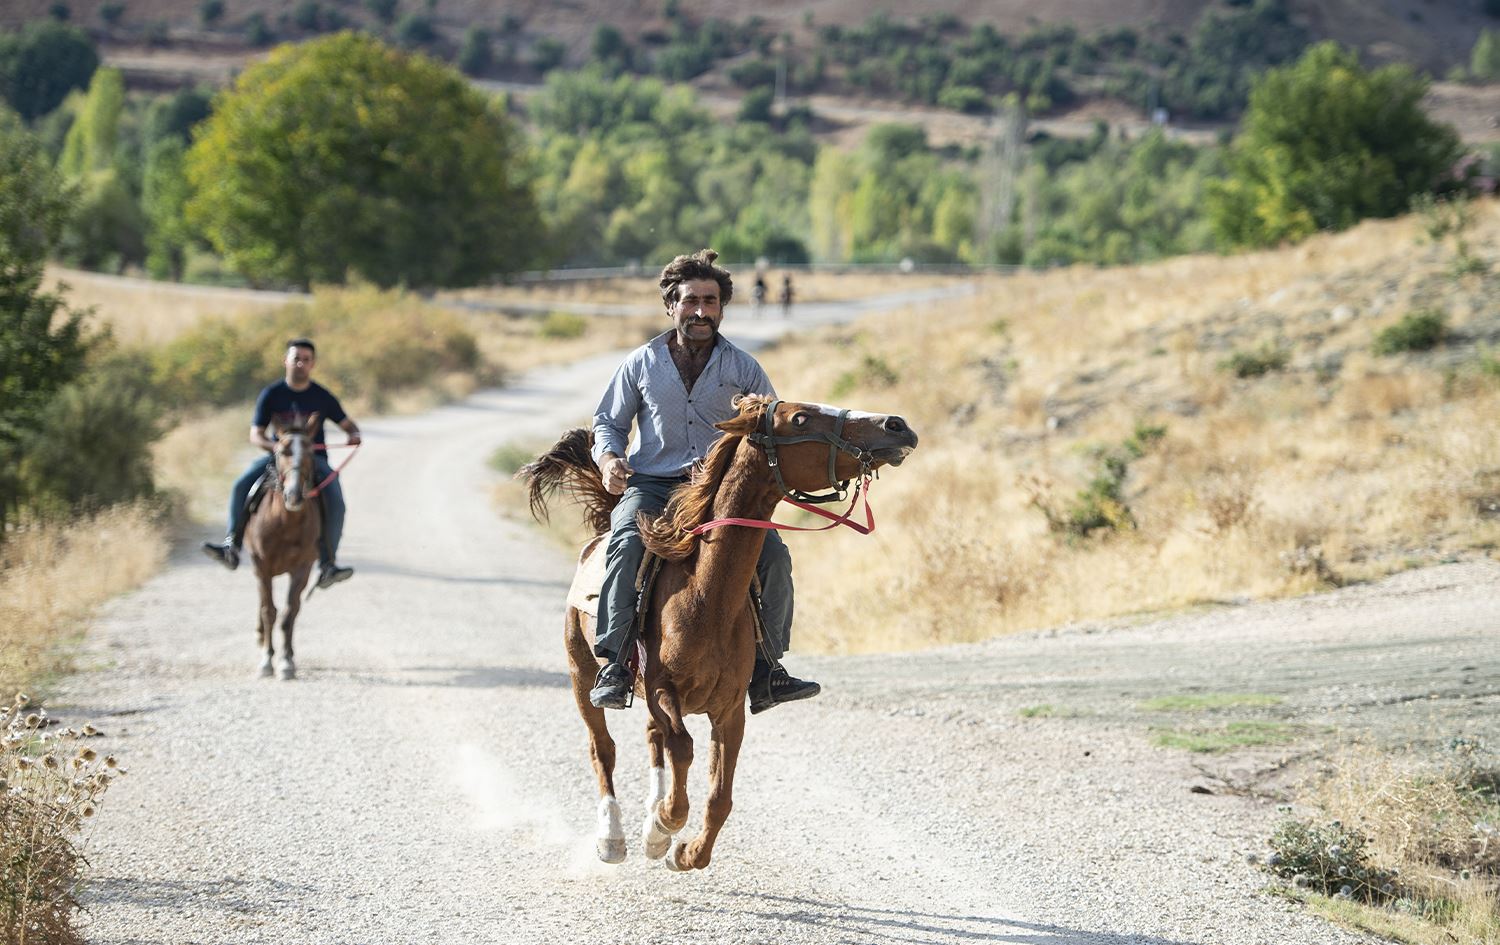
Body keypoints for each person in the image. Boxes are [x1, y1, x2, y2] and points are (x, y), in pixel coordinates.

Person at [588, 249, 819, 714]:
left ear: (721, 307)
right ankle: (614, 664)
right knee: (627, 542)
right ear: (671, 305)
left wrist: (758, 416)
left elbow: (771, 435)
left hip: (720, 494)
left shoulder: (744, 368)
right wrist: (610, 458)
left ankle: (768, 669)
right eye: (691, 300)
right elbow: (608, 423)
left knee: (774, 557)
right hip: (654, 485)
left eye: (710, 302)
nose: (700, 311)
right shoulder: (641, 362)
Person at [201, 338, 361, 590]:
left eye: (306, 360)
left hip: (312, 460)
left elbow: (348, 425)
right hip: (279, 458)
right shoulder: (272, 394)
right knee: (242, 484)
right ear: (285, 360)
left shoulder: (322, 396)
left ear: (313, 364)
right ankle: (232, 545)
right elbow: (256, 434)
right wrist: (276, 447)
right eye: (296, 358)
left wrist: (353, 434)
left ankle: (328, 564)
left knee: (336, 502)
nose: (301, 363)